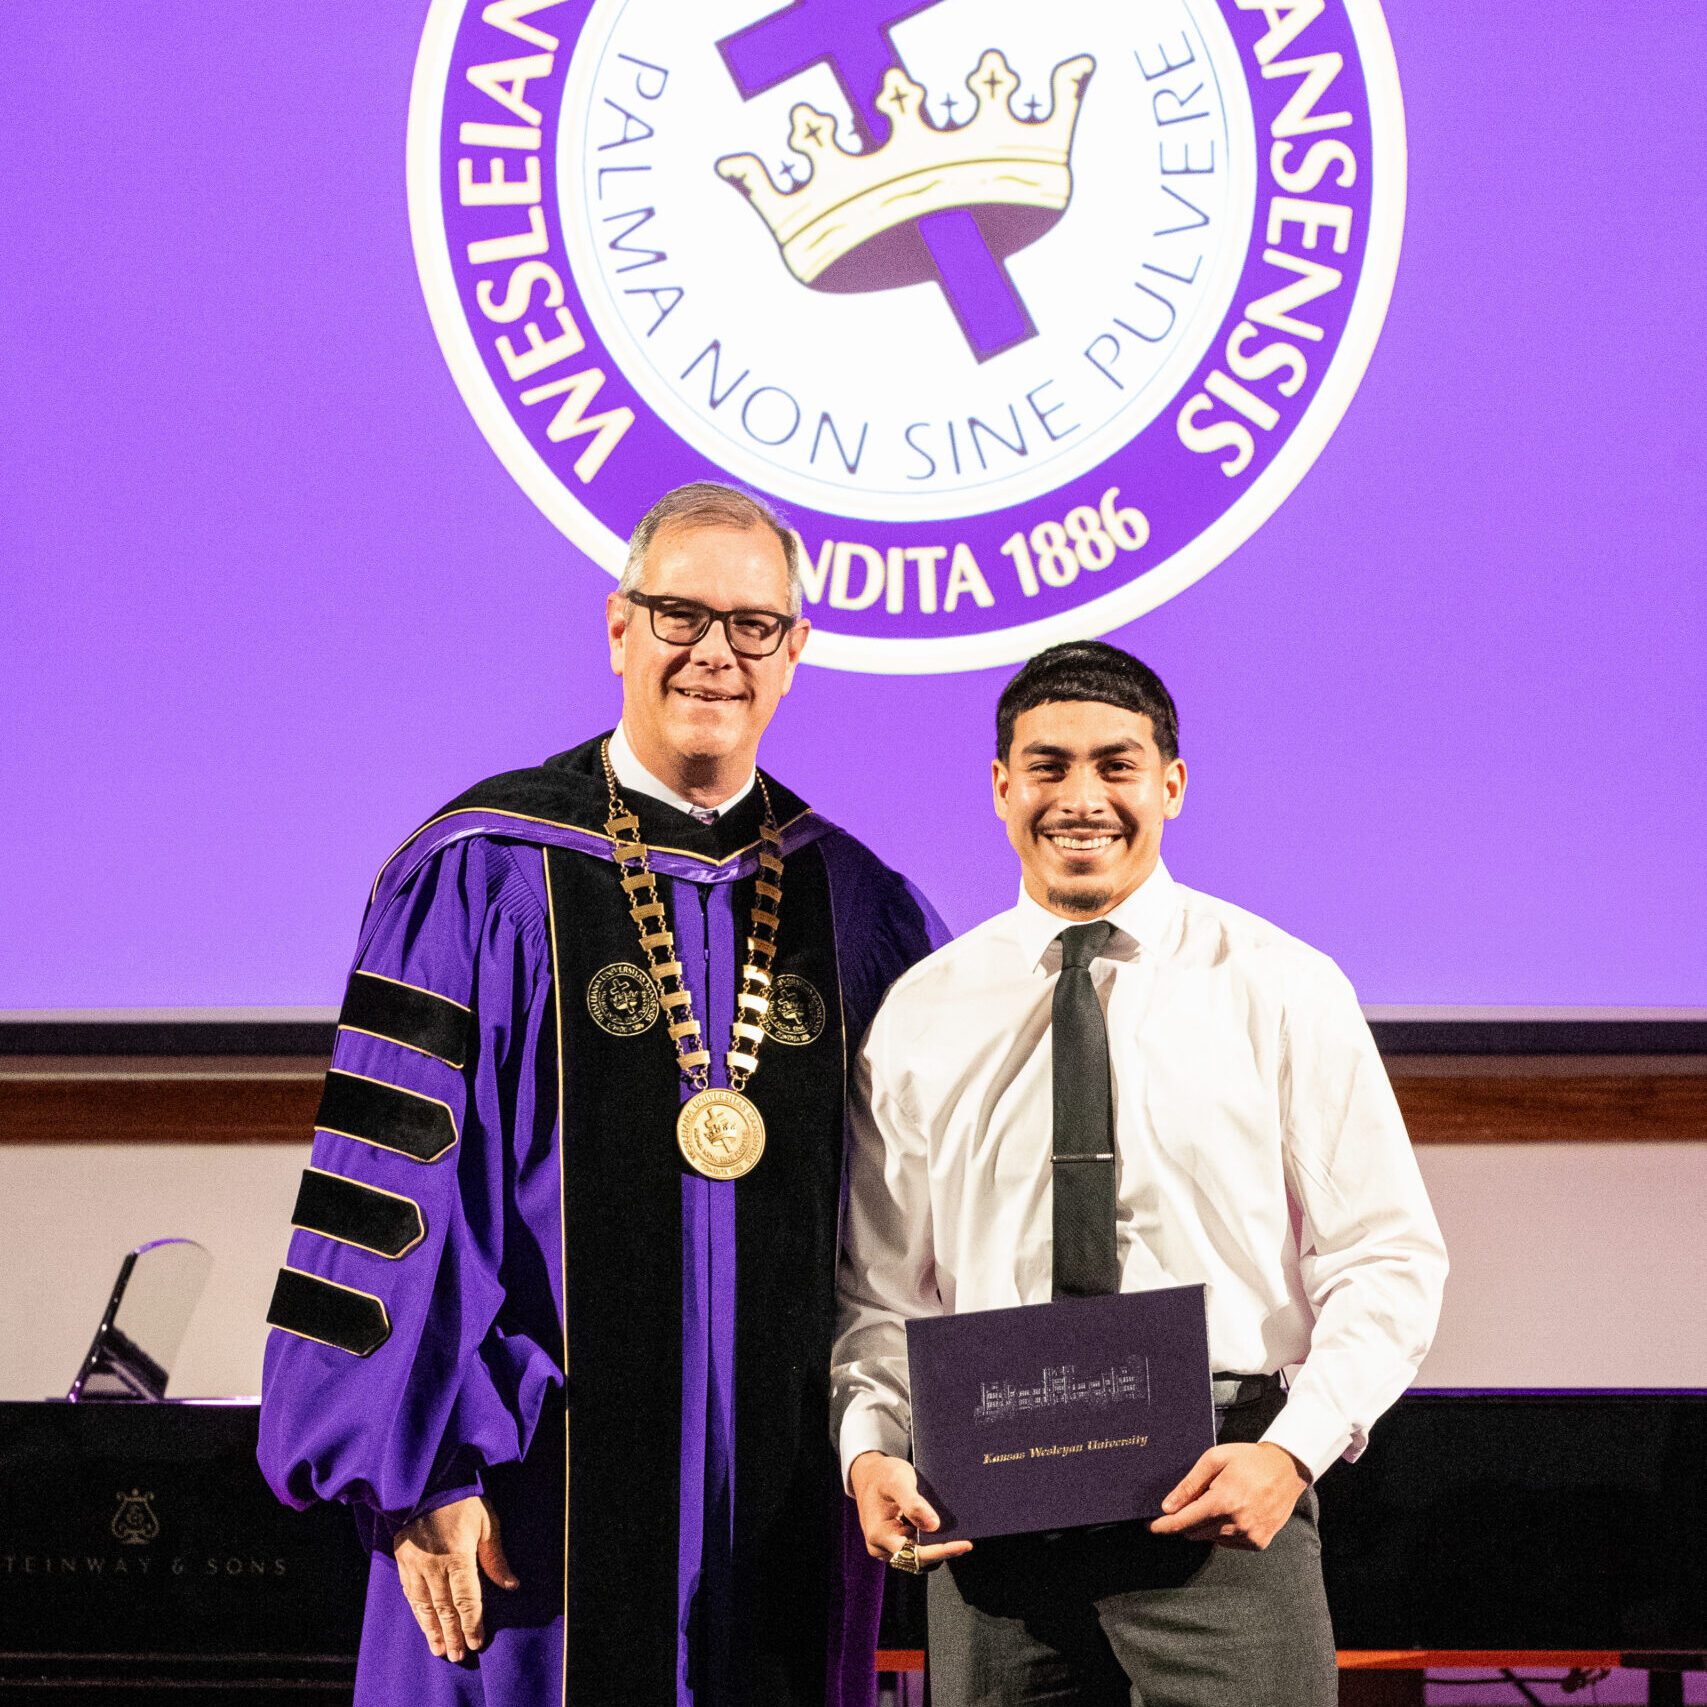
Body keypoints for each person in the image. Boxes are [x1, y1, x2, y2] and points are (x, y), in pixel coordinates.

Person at [259, 482, 947, 1707]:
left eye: (752, 626)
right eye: (681, 613)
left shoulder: (861, 906)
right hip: (526, 1491)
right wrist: (420, 1469)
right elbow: (394, 1191)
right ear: (620, 625)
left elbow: (920, 1222)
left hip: (783, 1496)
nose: (714, 654)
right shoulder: (481, 874)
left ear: (795, 653)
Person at [832, 641, 1448, 1707]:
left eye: (1116, 765)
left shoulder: (1281, 986)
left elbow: (1386, 1257)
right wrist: (871, 1452)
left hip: (1220, 1498)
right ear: (999, 786)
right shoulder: (923, 1011)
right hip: (989, 1522)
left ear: (1171, 783)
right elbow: (881, 1290)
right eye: (1048, 765)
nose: (1081, 798)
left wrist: (1291, 1454)